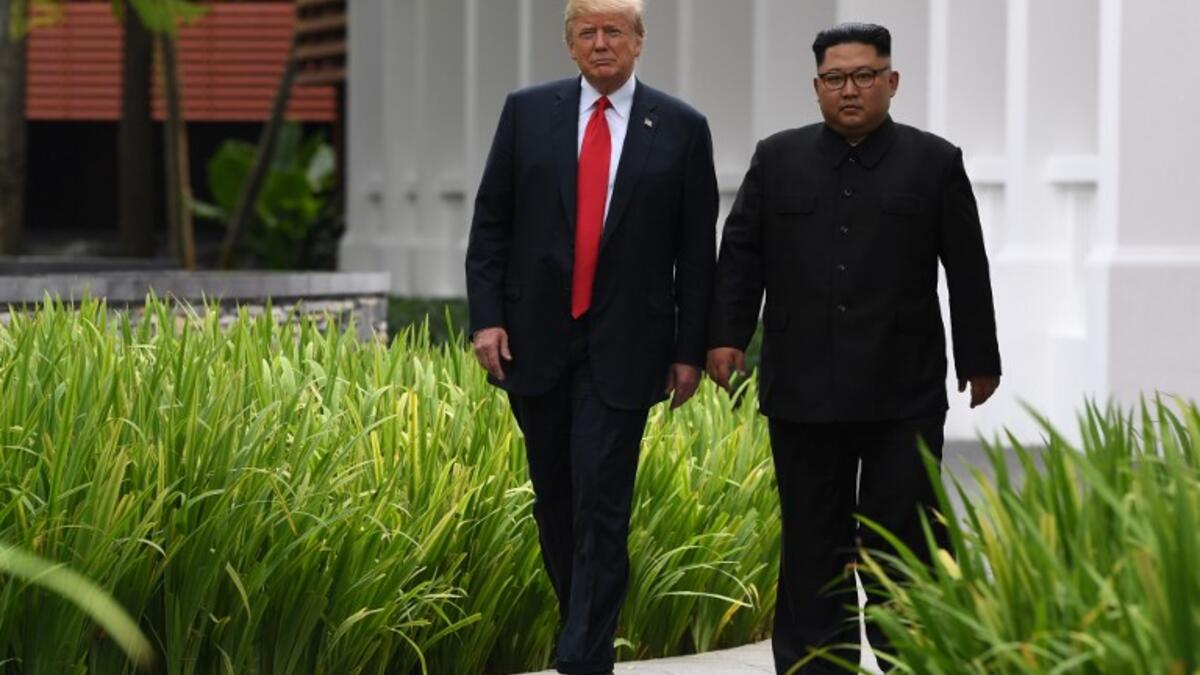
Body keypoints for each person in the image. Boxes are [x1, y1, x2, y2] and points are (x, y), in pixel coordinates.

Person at [706, 22, 1001, 675]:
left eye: (865, 76)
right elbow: (741, 254)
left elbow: (967, 266)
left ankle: (915, 657)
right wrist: (725, 336)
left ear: (891, 82)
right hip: (802, 386)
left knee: (905, 533)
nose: (850, 89)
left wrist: (980, 357)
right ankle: (818, 665)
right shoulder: (777, 158)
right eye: (836, 78)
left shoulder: (934, 162)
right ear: (816, 87)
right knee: (814, 538)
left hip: (905, 388)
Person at [464, 1, 718, 672]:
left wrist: (688, 349)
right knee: (558, 502)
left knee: (603, 502)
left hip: (629, 345)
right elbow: (492, 223)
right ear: (571, 44)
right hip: (535, 341)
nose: (601, 43)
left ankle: (582, 657)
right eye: (588, 32)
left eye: (614, 31)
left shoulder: (683, 128)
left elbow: (697, 254)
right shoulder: (527, 112)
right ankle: (586, 633)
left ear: (638, 42)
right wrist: (486, 316)